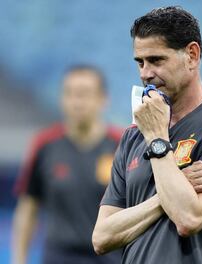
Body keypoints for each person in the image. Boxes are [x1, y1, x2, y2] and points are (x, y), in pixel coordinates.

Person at [92, 6, 202, 264]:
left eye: (156, 60)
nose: (145, 73)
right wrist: (161, 199)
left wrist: (157, 139)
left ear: (192, 55)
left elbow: (190, 218)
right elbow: (102, 237)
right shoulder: (133, 135)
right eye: (140, 62)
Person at [12, 65, 123, 264]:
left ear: (103, 99)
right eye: (70, 94)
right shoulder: (45, 145)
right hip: (59, 257)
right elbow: (27, 209)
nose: (77, 102)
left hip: (110, 257)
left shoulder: (121, 145)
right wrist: (19, 259)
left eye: (84, 94)